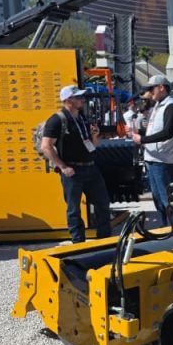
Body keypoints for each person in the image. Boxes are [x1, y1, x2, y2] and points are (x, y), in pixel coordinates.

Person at [40, 85, 112, 243]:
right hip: (73, 171)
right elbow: (46, 146)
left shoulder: (82, 117)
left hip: (91, 167)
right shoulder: (56, 120)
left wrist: (95, 136)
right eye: (78, 97)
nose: (82, 100)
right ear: (67, 100)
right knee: (74, 209)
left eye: (82, 97)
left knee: (102, 204)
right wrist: (63, 167)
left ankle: (105, 241)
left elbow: (92, 145)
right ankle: (78, 243)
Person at [133, 75, 173, 227]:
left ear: (161, 87)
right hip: (153, 159)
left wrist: (142, 140)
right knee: (158, 199)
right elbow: (155, 130)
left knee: (168, 198)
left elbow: (168, 132)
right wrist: (141, 133)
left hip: (164, 160)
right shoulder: (158, 106)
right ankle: (165, 227)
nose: (149, 92)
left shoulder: (171, 106)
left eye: (151, 88)